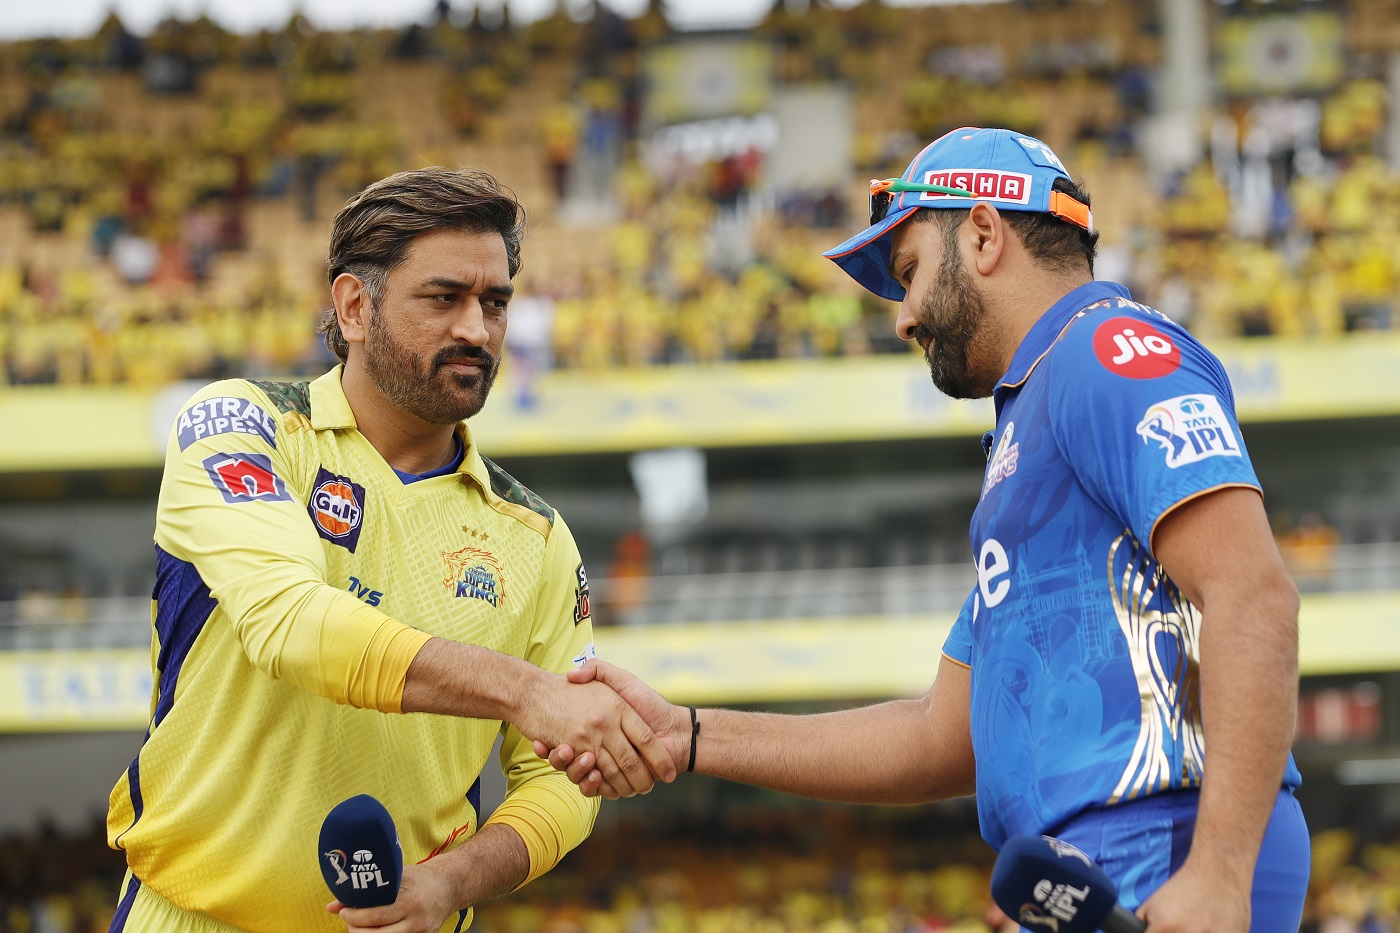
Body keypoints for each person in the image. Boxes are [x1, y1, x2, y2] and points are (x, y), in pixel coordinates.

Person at [541, 128, 1310, 933]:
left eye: (909, 272)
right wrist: (689, 734)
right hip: (1096, 865)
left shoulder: (1106, 351)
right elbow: (940, 734)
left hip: (1167, 846)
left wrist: (1219, 871)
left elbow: (1253, 595)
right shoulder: (1035, 421)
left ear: (983, 233)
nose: (904, 318)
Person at [107, 168, 674, 933]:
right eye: (444, 298)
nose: (477, 329)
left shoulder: (536, 537)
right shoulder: (244, 425)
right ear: (354, 306)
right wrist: (523, 689)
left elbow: (561, 777)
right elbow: (289, 624)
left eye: (495, 302)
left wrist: (451, 881)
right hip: (191, 917)